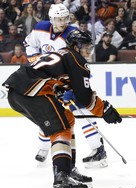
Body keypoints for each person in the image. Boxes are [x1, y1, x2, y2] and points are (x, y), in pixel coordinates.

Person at [2, 30, 122, 188]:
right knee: (61, 130)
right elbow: (85, 97)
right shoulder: (76, 58)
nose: (88, 51)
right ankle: (62, 180)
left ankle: (69, 168)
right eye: (85, 46)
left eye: (90, 47)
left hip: (18, 92)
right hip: (32, 91)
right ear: (75, 46)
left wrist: (64, 92)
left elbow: (61, 86)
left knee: (67, 119)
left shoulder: (62, 55)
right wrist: (105, 109)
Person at [24, 3, 110, 168]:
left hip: (68, 78)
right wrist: (36, 60)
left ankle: (98, 149)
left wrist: (71, 85)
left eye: (65, 18)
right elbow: (29, 43)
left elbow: (78, 60)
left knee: (81, 108)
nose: (63, 22)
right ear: (51, 19)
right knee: (49, 112)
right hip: (47, 79)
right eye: (59, 19)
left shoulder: (72, 33)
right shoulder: (41, 28)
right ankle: (43, 149)